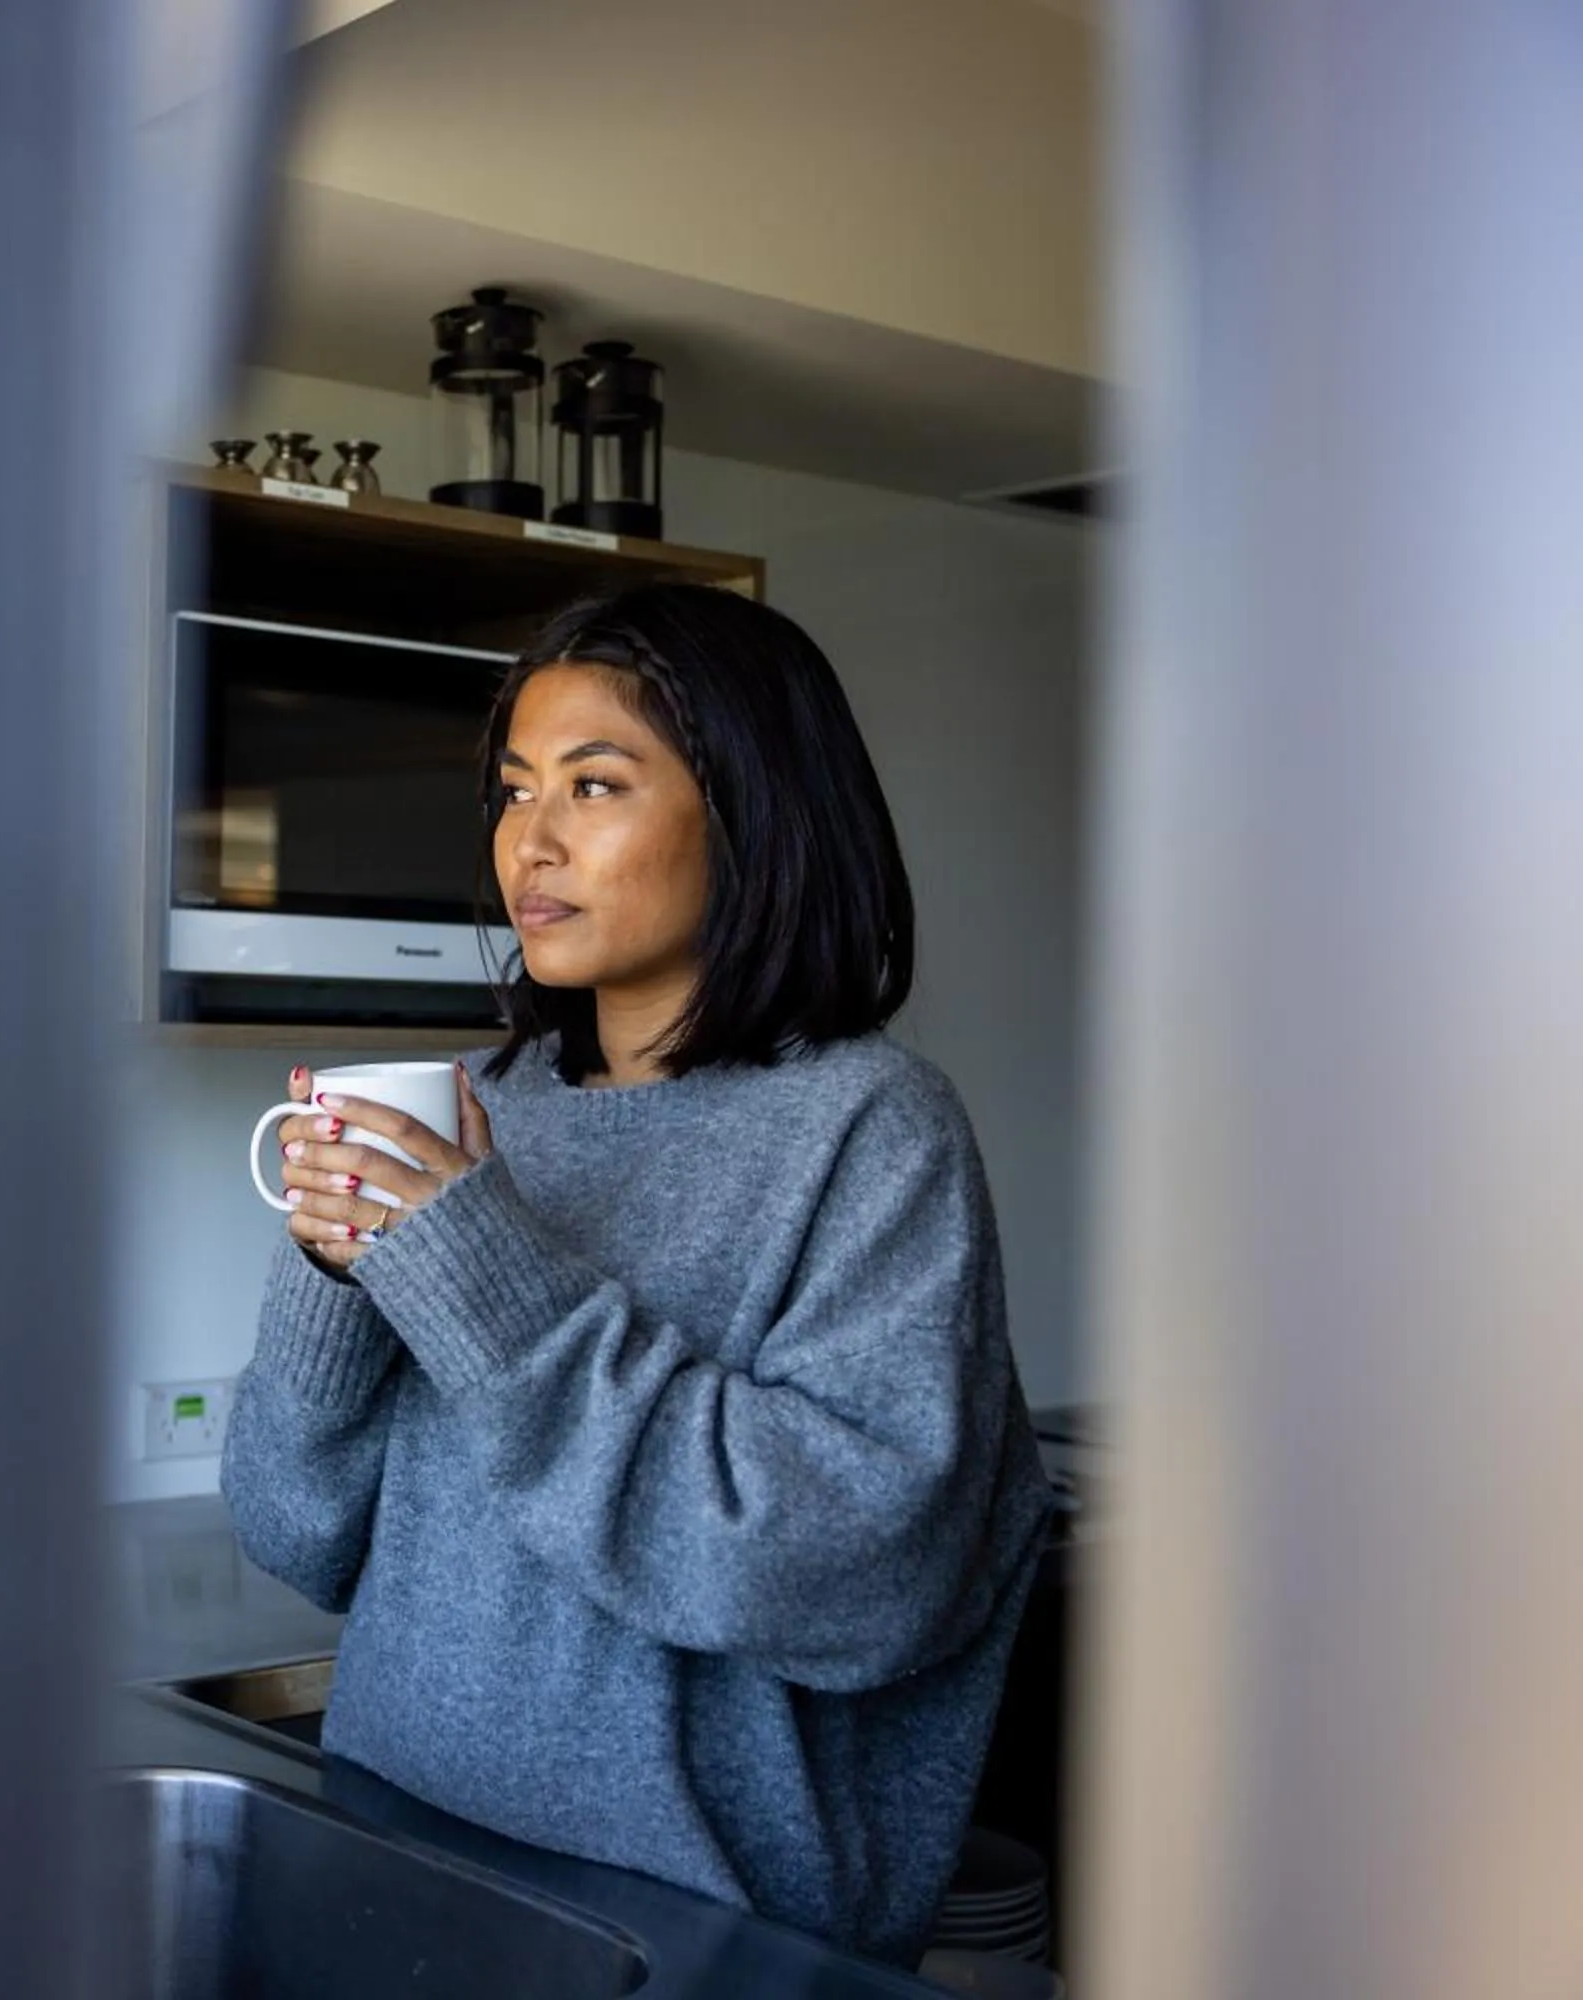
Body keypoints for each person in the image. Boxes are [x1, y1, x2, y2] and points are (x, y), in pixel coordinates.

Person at [224, 582, 1050, 1968]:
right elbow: (294, 1534)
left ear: (751, 814)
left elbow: (865, 1581)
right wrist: (334, 1278)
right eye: (512, 790)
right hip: (388, 1862)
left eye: (594, 785)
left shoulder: (867, 1129)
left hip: (695, 1939)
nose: (527, 842)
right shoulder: (480, 1111)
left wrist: (480, 1273)